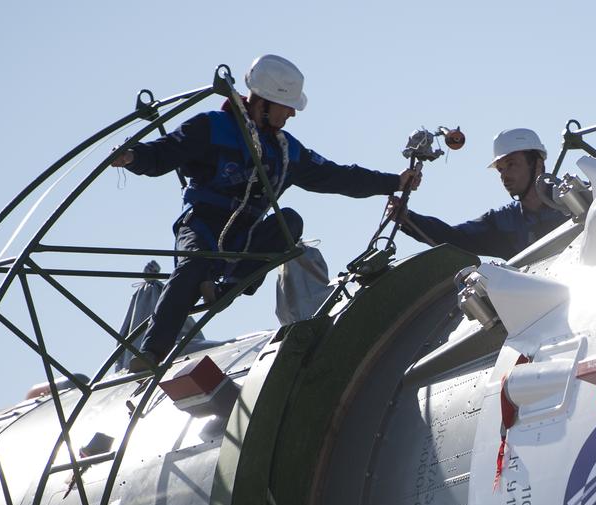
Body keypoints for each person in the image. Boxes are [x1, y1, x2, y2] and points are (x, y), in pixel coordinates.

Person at [112, 54, 421, 371]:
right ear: (264, 102)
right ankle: (150, 353)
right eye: (287, 107)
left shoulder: (286, 152)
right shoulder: (211, 128)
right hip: (202, 226)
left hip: (244, 239)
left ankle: (223, 289)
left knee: (290, 222)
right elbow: (164, 152)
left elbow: (337, 175)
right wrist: (133, 156)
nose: (292, 114)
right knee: (192, 266)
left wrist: (393, 182)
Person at [391, 128, 567, 260]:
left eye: (511, 164)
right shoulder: (503, 222)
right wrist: (407, 218)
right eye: (500, 170)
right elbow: (453, 238)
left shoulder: (578, 197)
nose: (504, 176)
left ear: (537, 164)